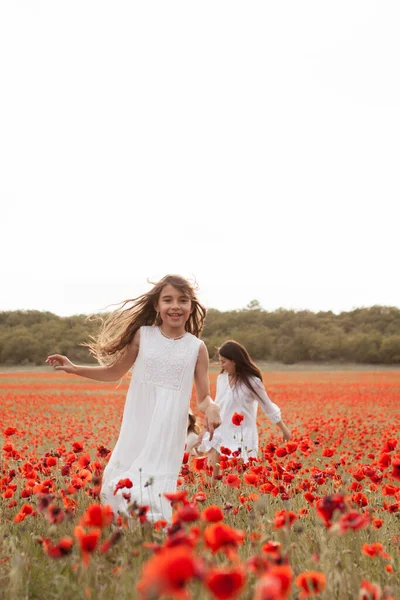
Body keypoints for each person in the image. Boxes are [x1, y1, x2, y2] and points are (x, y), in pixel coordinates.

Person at [46, 274, 221, 523]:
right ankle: (126, 538)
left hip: (168, 429)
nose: (175, 307)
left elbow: (203, 398)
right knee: (120, 483)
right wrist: (76, 368)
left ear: (191, 307)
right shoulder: (143, 336)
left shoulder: (196, 347)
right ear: (156, 306)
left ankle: (155, 540)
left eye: (182, 301)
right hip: (139, 421)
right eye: (168, 300)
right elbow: (113, 372)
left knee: (154, 488)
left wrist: (212, 407)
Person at [199, 340, 290, 474]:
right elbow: (218, 404)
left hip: (241, 434)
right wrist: (207, 427)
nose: (222, 365)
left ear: (234, 360)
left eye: (224, 361)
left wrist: (284, 429)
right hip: (220, 431)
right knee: (212, 475)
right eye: (220, 361)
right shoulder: (222, 379)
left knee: (236, 479)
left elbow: (267, 405)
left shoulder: (253, 382)